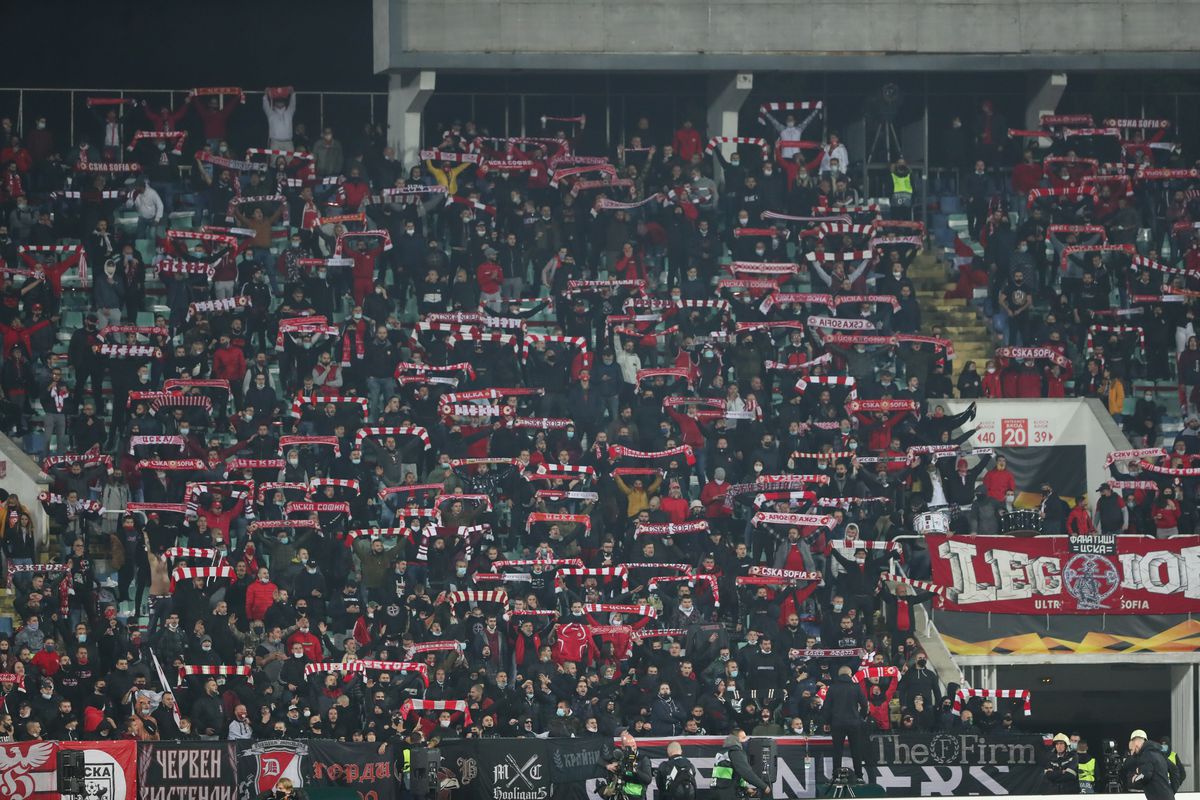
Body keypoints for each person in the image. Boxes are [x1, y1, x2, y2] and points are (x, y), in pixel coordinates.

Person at [823, 666, 869, 784]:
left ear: (839, 675)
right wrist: (861, 717)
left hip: (837, 723)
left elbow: (827, 707)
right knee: (856, 750)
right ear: (850, 674)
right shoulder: (856, 687)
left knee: (837, 750)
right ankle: (859, 776)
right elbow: (865, 705)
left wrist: (827, 722)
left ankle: (836, 776)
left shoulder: (832, 688)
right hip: (854, 723)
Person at [712, 728, 770, 800]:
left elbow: (731, 774)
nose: (746, 740)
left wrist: (745, 788)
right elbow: (746, 772)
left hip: (717, 791)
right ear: (736, 739)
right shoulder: (736, 752)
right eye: (743, 738)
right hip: (728, 793)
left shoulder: (723, 751)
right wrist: (764, 786)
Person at [1126, 730, 1176, 800]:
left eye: (1131, 749)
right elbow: (1175, 770)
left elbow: (1145, 775)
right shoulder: (1158, 753)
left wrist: (1135, 779)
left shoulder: (1146, 755)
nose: (1132, 753)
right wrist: (1171, 791)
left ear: (1136, 745)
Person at [606, 730, 653, 800]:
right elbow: (614, 779)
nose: (632, 749)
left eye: (633, 745)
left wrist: (635, 770)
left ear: (636, 744)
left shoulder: (643, 759)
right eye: (629, 747)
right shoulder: (620, 759)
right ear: (623, 747)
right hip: (620, 796)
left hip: (637, 798)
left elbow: (648, 780)